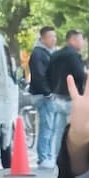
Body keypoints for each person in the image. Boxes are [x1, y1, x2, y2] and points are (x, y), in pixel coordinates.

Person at [46, 27, 87, 155]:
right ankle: (72, 158)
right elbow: (80, 75)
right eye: (81, 39)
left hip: (57, 97)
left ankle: (58, 157)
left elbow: (47, 74)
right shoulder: (73, 56)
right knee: (74, 131)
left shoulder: (55, 55)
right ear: (73, 40)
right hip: (71, 98)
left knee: (59, 131)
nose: (83, 42)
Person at [27, 25, 59, 168]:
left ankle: (47, 156)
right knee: (47, 126)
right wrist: (48, 92)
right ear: (43, 38)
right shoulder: (38, 54)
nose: (54, 39)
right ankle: (43, 157)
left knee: (50, 126)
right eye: (51, 37)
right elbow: (39, 75)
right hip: (43, 96)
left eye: (55, 36)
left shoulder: (46, 52)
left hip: (47, 94)